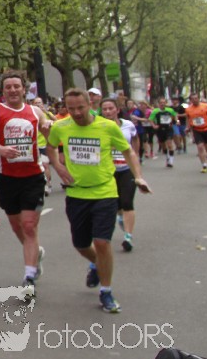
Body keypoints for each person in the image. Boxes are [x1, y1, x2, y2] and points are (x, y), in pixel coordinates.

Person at [46, 88, 145, 313]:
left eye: (80, 108)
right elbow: (50, 146)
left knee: (102, 242)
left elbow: (128, 151)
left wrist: (138, 176)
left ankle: (106, 291)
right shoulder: (61, 127)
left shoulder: (107, 127)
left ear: (90, 105)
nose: (76, 113)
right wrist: (58, 167)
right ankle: (96, 264)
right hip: (76, 194)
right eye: (71, 109)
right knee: (81, 244)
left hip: (105, 192)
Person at [0, 71, 50, 297]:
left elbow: (50, 132)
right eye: (8, 87)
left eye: (16, 86)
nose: (12, 90)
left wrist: (49, 129)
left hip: (33, 177)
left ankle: (29, 277)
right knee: (17, 226)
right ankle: (36, 253)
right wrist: (0, 149)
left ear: (24, 89)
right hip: (7, 178)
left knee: (29, 226)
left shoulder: (36, 112)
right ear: (3, 90)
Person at [100, 98, 149, 253]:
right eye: (105, 109)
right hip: (108, 171)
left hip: (126, 168)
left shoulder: (128, 125)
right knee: (116, 204)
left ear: (117, 109)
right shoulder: (98, 126)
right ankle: (121, 216)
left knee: (127, 201)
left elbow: (135, 138)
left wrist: (135, 154)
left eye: (110, 108)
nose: (108, 111)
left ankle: (128, 236)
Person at [184, 93, 207, 174]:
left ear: (198, 98)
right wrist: (188, 127)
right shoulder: (188, 109)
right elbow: (188, 118)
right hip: (197, 130)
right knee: (200, 147)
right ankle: (204, 165)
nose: (195, 100)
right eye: (193, 99)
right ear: (190, 100)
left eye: (196, 98)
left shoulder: (205, 106)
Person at [149, 98, 178, 168]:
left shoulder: (170, 110)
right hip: (160, 129)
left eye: (164, 102)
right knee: (163, 146)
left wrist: (175, 121)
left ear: (166, 103)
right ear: (159, 104)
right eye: (161, 103)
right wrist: (154, 126)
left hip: (168, 129)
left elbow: (175, 115)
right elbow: (150, 119)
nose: (162, 104)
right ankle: (167, 156)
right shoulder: (155, 111)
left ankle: (171, 161)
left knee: (170, 144)